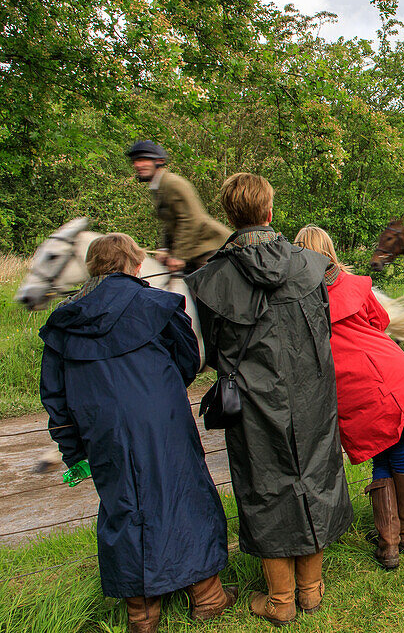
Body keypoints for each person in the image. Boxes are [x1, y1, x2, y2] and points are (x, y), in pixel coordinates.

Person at [39, 233, 234, 633]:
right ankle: (207, 596)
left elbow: (54, 394)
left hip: (101, 426)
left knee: (123, 501)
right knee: (184, 491)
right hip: (159, 414)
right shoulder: (156, 304)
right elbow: (186, 361)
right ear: (135, 264)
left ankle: (142, 612)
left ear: (93, 267)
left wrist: (72, 449)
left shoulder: (65, 318)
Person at [186, 174, 353, 626]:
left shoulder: (209, 279)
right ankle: (309, 591)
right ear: (269, 212)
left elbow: (208, 352)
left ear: (228, 215)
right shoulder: (310, 265)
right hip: (310, 394)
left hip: (253, 400)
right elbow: (323, 327)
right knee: (314, 473)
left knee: (264, 486)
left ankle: (282, 599)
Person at [294, 226, 404, 570]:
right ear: (330, 250)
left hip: (354, 384)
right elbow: (382, 320)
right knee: (400, 453)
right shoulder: (355, 284)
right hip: (390, 369)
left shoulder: (302, 298)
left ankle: (389, 546)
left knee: (380, 457)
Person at [126, 140, 230, 273]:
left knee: (203, 289)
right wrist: (164, 249)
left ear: (159, 161)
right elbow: (170, 223)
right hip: (193, 249)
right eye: (135, 161)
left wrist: (179, 256)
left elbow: (191, 220)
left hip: (208, 248)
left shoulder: (173, 183)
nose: (138, 165)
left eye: (143, 160)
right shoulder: (158, 186)